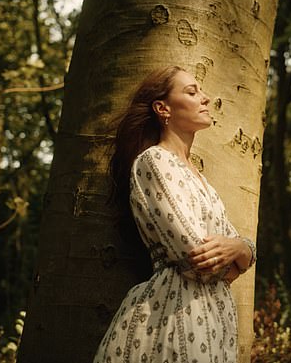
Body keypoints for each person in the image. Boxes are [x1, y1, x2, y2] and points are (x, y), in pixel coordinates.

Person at [93, 66, 257, 363]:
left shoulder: (201, 179)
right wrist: (237, 259)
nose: (205, 99)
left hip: (216, 317)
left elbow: (242, 248)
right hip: (178, 311)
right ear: (162, 108)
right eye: (192, 92)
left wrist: (240, 248)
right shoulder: (154, 162)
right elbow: (196, 258)